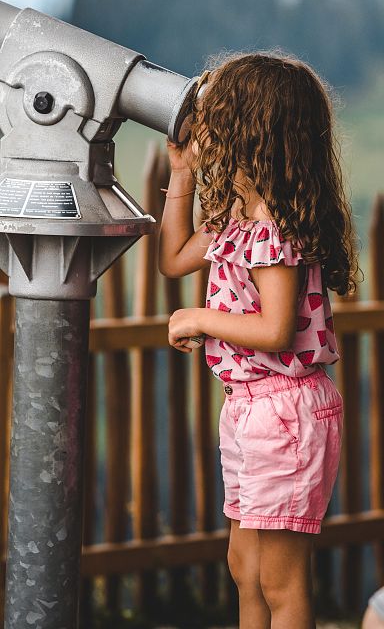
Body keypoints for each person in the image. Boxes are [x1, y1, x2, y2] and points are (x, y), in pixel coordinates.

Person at [158, 52, 361, 629]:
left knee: (280, 579)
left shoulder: (274, 228)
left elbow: (274, 330)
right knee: (244, 567)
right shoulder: (235, 220)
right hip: (251, 410)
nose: (204, 131)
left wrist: (200, 319)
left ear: (250, 130)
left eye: (215, 118)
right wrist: (181, 173)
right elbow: (173, 260)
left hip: (285, 413)